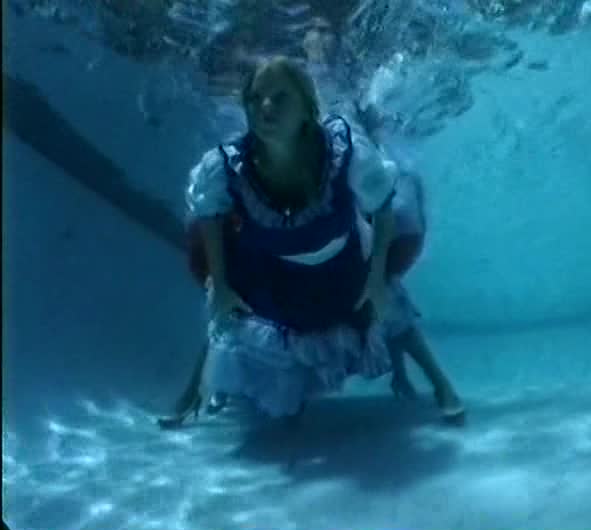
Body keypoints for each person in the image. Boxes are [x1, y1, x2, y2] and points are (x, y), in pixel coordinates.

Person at [158, 55, 463, 428]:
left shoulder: (345, 151)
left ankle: (442, 385)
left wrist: (375, 276)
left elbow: (382, 209)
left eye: (279, 98)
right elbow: (209, 217)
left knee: (387, 307)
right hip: (271, 271)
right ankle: (192, 393)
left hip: (342, 264)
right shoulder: (224, 167)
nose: (265, 106)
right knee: (229, 316)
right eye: (255, 98)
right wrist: (220, 284)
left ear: (307, 108)